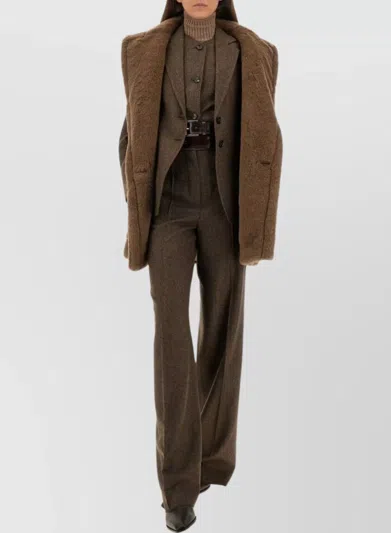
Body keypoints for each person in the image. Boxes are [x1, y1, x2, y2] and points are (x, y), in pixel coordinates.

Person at [118, 0, 283, 530]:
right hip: (169, 205)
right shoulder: (141, 50)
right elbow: (129, 135)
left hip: (224, 203)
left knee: (223, 329)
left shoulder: (254, 51)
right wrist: (137, 200)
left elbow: (265, 135)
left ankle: (209, 457)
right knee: (171, 334)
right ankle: (177, 488)